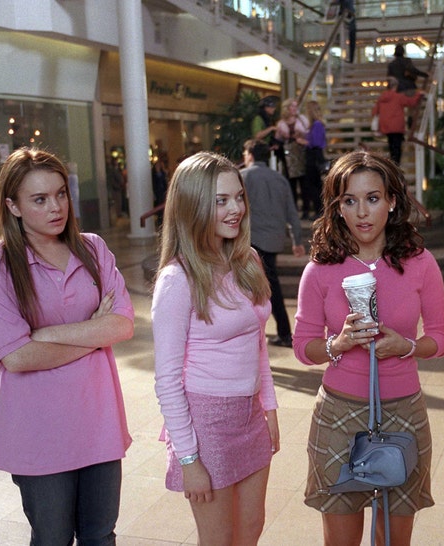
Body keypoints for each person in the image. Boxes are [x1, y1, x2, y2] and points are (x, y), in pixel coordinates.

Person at [0, 148, 134, 544]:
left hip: (97, 418)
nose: (56, 207)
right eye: (39, 199)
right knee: (52, 537)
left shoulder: (93, 248)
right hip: (38, 428)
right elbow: (17, 357)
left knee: (101, 536)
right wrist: (93, 334)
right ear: (12, 206)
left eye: (61, 193)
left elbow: (121, 324)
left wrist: (44, 334)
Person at [293, 150, 444, 545]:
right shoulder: (320, 270)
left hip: (403, 411)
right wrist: (338, 343)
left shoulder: (419, 263)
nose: (362, 212)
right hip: (339, 413)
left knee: (393, 538)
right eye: (350, 200)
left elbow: (442, 337)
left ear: (392, 201)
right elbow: (303, 348)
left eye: (373, 198)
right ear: (337, 208)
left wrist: (407, 347)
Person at [152, 151, 280, 545]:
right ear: (193, 206)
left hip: (250, 414)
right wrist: (189, 459)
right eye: (221, 200)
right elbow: (167, 380)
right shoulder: (178, 279)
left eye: (238, 197)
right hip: (207, 423)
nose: (236, 209)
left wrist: (269, 407)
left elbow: (258, 343)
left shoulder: (247, 259)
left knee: (251, 530)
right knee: (219, 539)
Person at [241, 139, 306, 348]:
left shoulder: (243, 177)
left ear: (250, 155)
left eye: (245, 154)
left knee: (248, 288)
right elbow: (292, 213)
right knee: (271, 286)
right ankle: (283, 332)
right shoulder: (280, 179)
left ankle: (255, 333)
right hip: (274, 240)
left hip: (250, 240)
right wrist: (297, 240)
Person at [371, 76, 423, 166]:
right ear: (396, 86)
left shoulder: (381, 97)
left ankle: (393, 165)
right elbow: (412, 102)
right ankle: (396, 166)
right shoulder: (398, 97)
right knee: (397, 148)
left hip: (386, 126)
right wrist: (419, 94)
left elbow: (374, 112)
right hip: (397, 126)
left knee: (392, 146)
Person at [275, 97, 310, 214]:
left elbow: (309, 134)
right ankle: (293, 209)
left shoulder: (302, 119)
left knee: (304, 182)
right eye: (292, 106)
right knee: (291, 183)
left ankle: (306, 209)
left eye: (296, 106)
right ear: (287, 108)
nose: (295, 108)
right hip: (288, 154)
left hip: (302, 151)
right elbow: (278, 139)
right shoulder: (281, 123)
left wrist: (301, 136)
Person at [304, 100, 328, 219]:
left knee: (314, 184)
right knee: (313, 184)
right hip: (312, 155)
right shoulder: (314, 124)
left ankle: (319, 210)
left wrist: (304, 142)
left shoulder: (317, 124)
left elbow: (316, 143)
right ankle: (318, 209)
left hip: (314, 156)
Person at [151, 153, 169, 228]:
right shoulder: (153, 173)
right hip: (158, 192)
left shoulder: (162, 172)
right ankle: (160, 221)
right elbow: (154, 183)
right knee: (159, 207)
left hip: (163, 191)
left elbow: (164, 181)